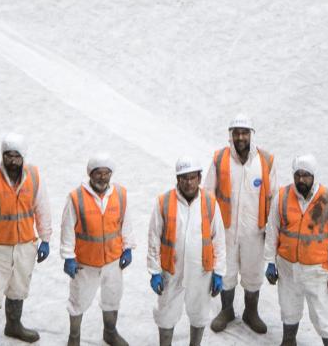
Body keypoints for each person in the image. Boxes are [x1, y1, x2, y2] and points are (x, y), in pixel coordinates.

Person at [0, 133, 53, 345]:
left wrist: (45, 238)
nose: (12, 161)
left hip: (25, 245)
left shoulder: (34, 176)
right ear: (2, 155)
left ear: (23, 156)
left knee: (19, 287)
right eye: (8, 155)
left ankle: (13, 325)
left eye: (16, 156)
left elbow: (42, 207)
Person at [263, 156, 328, 346]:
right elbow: (272, 230)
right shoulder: (282, 196)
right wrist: (269, 261)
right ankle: (289, 341)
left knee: (322, 316)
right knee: (288, 308)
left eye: (306, 175)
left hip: (316, 272)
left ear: (314, 176)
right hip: (286, 267)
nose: (301, 180)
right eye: (297, 175)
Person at [145, 157, 225, 346]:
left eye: (192, 177)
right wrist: (155, 271)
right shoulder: (164, 202)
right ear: (177, 178)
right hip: (171, 273)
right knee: (166, 315)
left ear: (199, 177)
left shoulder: (210, 202)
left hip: (201, 272)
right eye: (184, 178)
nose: (188, 183)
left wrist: (219, 272)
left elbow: (219, 240)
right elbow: (154, 238)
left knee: (199, 314)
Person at [61, 153, 134, 346]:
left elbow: (126, 224)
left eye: (106, 173)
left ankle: (110, 332)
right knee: (78, 302)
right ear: (90, 174)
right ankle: (74, 338)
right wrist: (68, 256)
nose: (102, 177)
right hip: (85, 263)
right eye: (98, 173)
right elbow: (67, 228)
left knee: (112, 297)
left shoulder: (120, 194)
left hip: (113, 260)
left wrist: (127, 248)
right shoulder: (76, 197)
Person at [209, 116, 274, 334]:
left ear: (252, 134)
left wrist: (271, 232)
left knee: (253, 274)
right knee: (226, 272)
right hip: (226, 231)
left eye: (244, 132)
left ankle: (251, 312)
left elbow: (273, 199)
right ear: (230, 134)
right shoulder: (220, 159)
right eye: (236, 132)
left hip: (255, 232)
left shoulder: (266, 160)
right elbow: (208, 195)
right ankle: (226, 310)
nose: (240, 137)